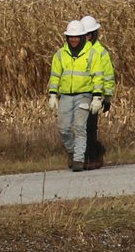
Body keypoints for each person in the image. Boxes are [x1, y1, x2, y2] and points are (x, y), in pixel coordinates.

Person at [47, 19, 102, 171]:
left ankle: (78, 160)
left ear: (83, 37)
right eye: (71, 36)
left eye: (77, 36)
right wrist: (52, 94)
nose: (74, 39)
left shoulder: (92, 54)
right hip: (65, 96)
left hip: (84, 95)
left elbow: (98, 76)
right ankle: (72, 151)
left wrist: (97, 97)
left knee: (79, 127)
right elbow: (55, 75)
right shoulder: (60, 55)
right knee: (63, 128)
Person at [79, 14, 116, 169]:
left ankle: (94, 155)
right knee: (79, 127)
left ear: (94, 34)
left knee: (90, 127)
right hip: (79, 94)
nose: (87, 37)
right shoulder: (76, 50)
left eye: (89, 34)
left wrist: (107, 99)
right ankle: (84, 155)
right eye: (84, 34)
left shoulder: (101, 52)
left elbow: (108, 76)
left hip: (95, 95)